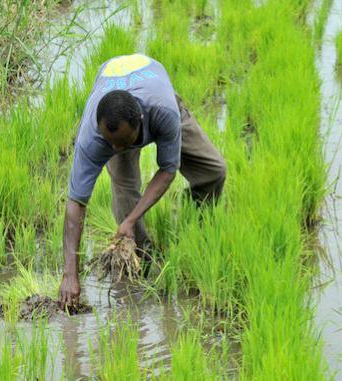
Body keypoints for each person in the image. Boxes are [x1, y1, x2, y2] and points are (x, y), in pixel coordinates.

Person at [58, 53, 226, 308]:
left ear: (139, 123)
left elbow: (168, 170)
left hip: (157, 98)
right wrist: (70, 274)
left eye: (122, 142)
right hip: (117, 110)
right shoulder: (93, 138)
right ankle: (141, 262)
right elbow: (76, 202)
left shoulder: (164, 112)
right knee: (125, 193)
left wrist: (131, 218)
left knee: (214, 171)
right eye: (110, 142)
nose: (115, 147)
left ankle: (194, 220)